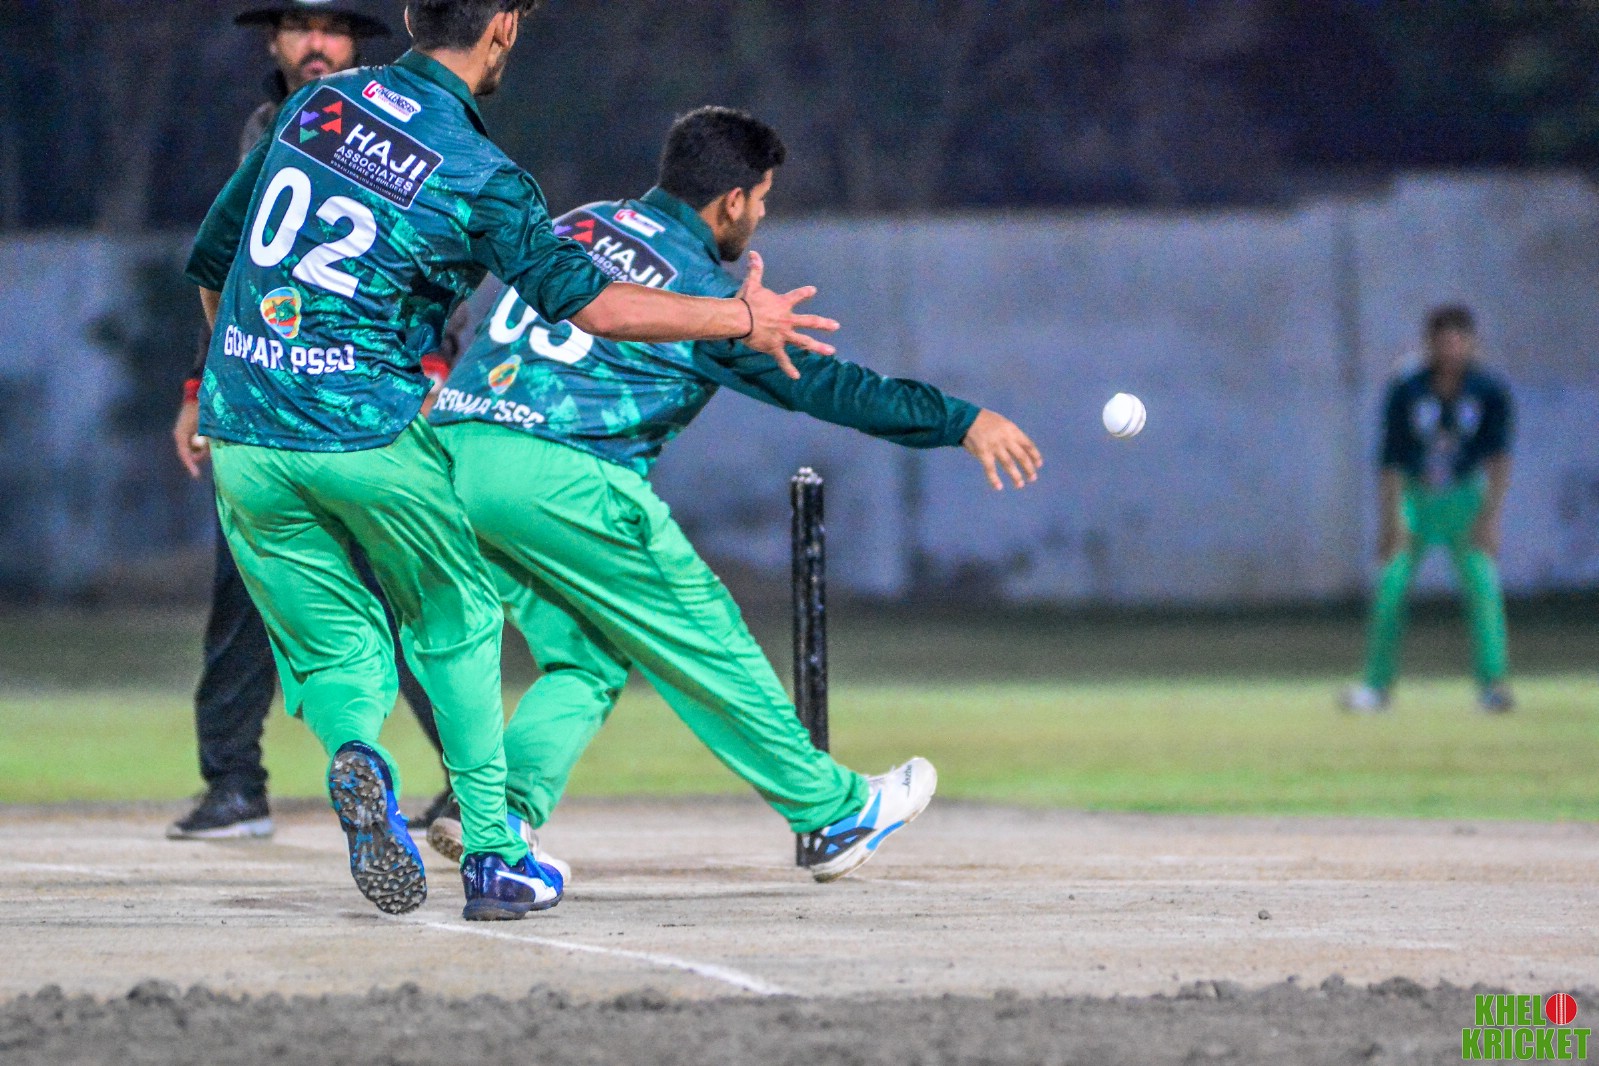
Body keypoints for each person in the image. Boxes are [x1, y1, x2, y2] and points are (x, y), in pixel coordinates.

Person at [183, 1, 838, 920]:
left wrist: (252, 376)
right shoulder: (481, 172)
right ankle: (494, 852)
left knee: (334, 645)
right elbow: (597, 306)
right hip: (369, 430)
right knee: (457, 618)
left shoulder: (313, 107)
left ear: (411, 17)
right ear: (503, 27)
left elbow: (213, 257)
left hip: (245, 434)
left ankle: (357, 754)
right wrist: (739, 316)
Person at [424, 107, 1043, 883]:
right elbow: (824, 386)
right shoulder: (705, 297)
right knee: (705, 638)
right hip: (561, 474)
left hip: (453, 456)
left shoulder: (583, 223)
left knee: (585, 657)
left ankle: (496, 811)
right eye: (762, 200)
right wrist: (962, 421)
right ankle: (833, 811)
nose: (761, 216)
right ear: (732, 201)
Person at [166, 0, 459, 843]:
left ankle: (470, 785)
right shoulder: (267, 126)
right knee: (242, 595)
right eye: (301, 25)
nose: (317, 42)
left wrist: (433, 363)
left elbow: (435, 249)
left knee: (406, 591)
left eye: (333, 27)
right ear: (276, 40)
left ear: (357, 42)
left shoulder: (393, 120)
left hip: (363, 400)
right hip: (265, 400)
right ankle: (234, 787)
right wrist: (200, 385)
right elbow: (235, 267)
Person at [1343, 305, 1515, 714]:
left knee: (1483, 590)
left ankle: (1493, 685)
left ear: (1471, 344)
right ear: (1429, 344)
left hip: (1465, 499)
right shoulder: (1407, 387)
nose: (1451, 350)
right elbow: (1390, 459)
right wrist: (1390, 520)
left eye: (1459, 341)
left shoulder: (1489, 389)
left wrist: (1491, 517)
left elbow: (1499, 459)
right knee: (1390, 588)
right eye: (1443, 342)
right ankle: (1376, 686)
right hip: (1415, 501)